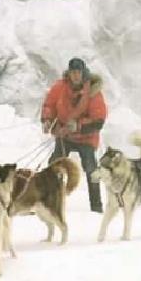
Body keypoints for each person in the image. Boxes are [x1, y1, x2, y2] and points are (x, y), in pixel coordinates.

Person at [41, 57, 107, 213]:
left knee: (91, 169)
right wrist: (47, 120)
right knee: (53, 165)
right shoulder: (60, 87)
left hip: (86, 138)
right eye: (73, 72)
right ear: (69, 73)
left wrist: (78, 126)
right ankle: (46, 200)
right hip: (65, 136)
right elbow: (49, 105)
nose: (75, 75)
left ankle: (96, 206)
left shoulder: (93, 91)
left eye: (78, 72)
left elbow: (98, 121)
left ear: (83, 73)